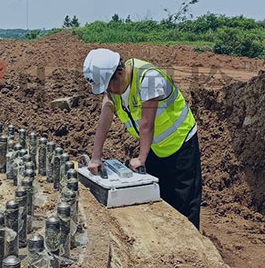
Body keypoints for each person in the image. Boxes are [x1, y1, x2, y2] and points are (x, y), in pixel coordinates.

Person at [83, 48, 202, 228]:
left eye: (107, 86)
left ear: (120, 73)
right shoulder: (113, 88)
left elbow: (147, 124)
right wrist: (95, 157)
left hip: (180, 142)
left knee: (184, 200)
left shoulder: (149, 79)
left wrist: (141, 159)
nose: (107, 92)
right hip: (154, 145)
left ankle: (194, 247)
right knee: (161, 195)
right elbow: (105, 119)